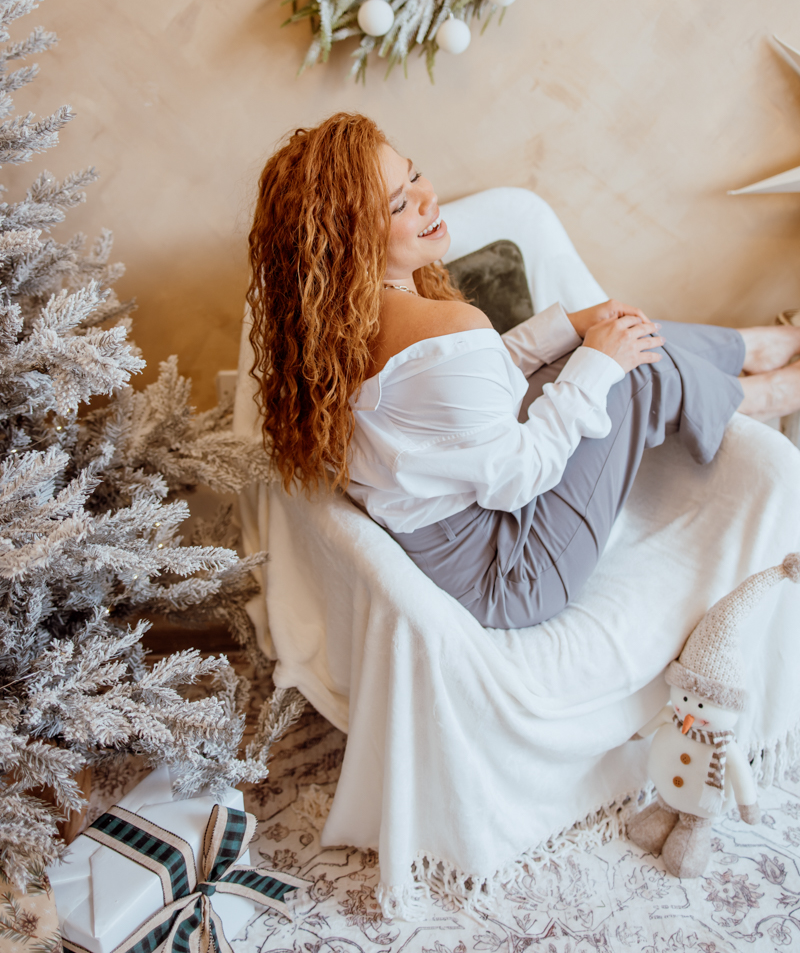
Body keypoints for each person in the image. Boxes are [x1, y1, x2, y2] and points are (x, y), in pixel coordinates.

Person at [248, 112, 800, 630]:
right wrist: (599, 365)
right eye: (397, 204)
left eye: (414, 174)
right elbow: (518, 477)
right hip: (511, 572)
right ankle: (753, 396)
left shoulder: (338, 328)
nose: (427, 197)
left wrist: (571, 329)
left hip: (464, 536)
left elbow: (468, 389)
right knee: (630, 371)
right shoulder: (438, 326)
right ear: (348, 241)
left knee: (606, 337)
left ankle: (751, 349)